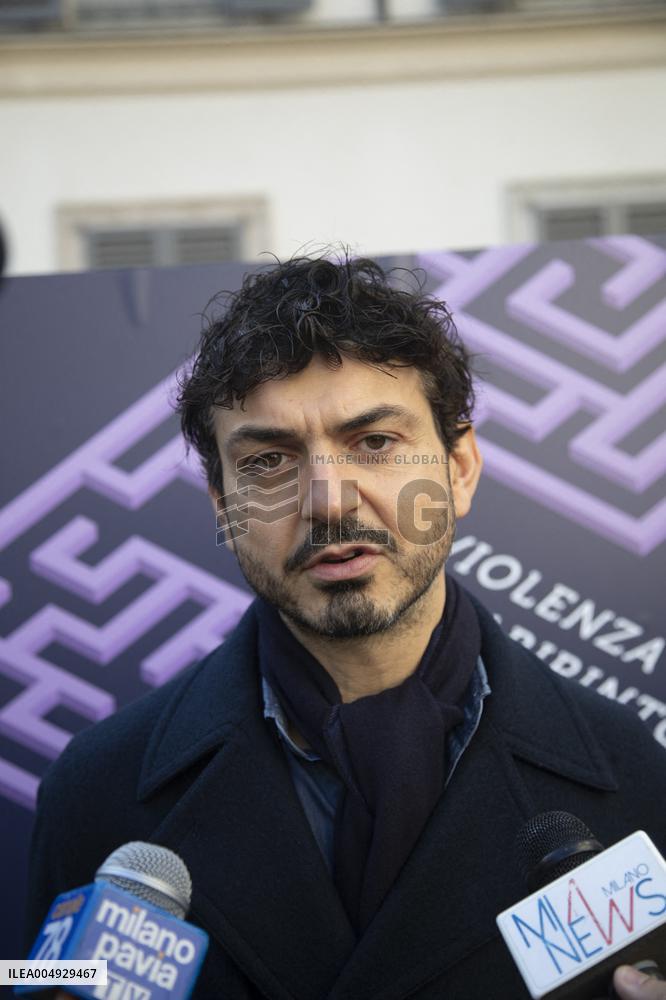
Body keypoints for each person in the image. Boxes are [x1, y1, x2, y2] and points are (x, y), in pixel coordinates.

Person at [25, 253, 666, 999]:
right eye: (269, 460)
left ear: (460, 468)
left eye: (375, 443)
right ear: (221, 507)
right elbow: (34, 976)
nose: (329, 501)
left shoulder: (633, 777)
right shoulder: (97, 788)